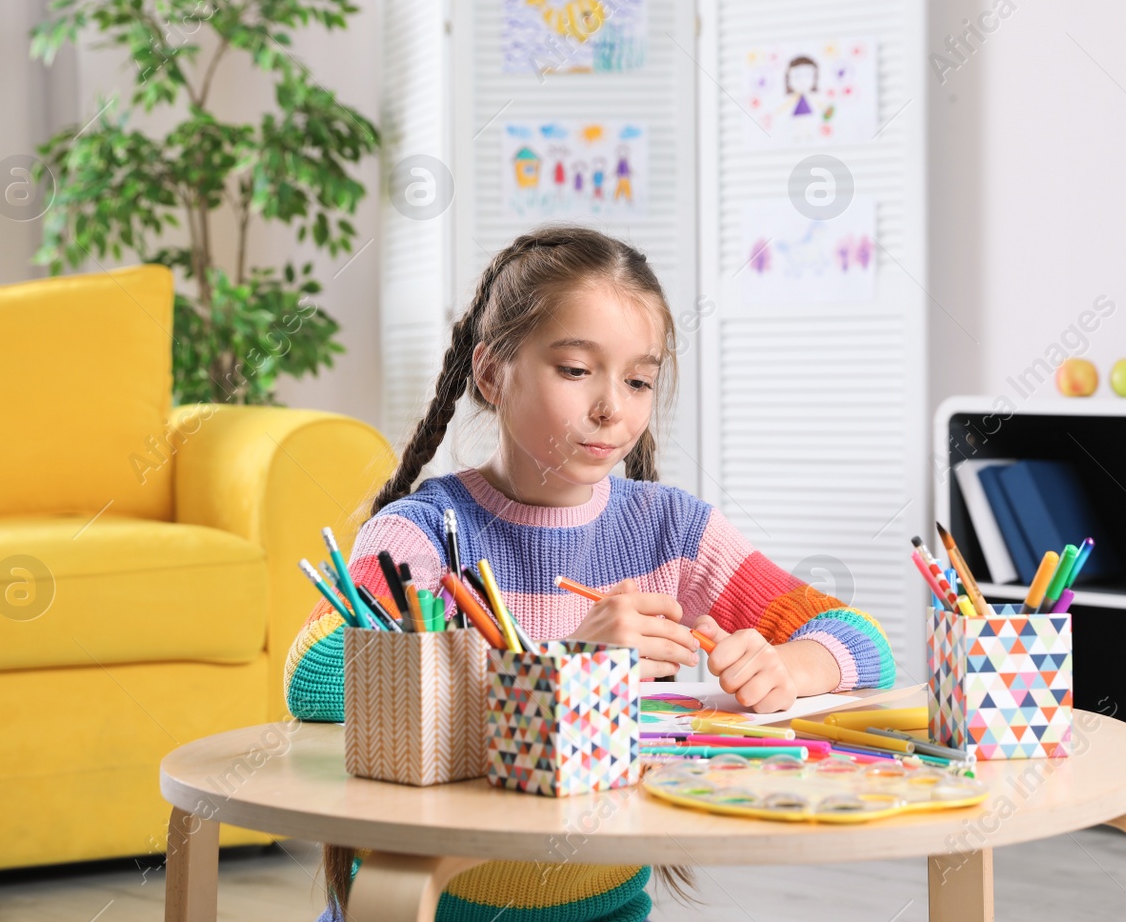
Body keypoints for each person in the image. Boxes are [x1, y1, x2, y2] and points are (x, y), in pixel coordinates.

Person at [284, 225, 896, 922]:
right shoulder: (422, 530)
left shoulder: (673, 533)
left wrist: (790, 667)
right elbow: (314, 672)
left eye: (639, 379)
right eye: (576, 370)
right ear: (491, 373)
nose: (613, 406)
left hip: (604, 907)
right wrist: (562, 667)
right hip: (422, 902)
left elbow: (861, 639)